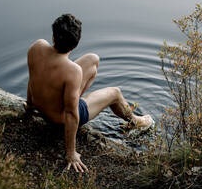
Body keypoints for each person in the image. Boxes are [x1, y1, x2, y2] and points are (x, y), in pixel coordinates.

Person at [26, 14, 153, 173]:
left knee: (93, 60)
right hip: (60, 119)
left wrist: (30, 105)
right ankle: (135, 121)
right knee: (115, 93)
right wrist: (71, 153)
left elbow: (32, 79)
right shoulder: (72, 71)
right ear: (75, 44)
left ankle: (67, 96)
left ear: (53, 36)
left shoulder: (37, 47)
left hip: (41, 106)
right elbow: (71, 114)